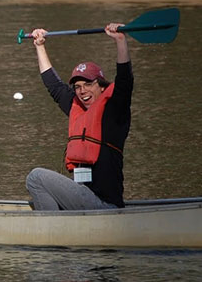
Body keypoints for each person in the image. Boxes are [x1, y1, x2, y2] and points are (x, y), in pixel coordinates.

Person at [25, 23, 132, 210]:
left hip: (104, 205)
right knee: (45, 185)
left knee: (35, 178)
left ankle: (50, 231)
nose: (82, 91)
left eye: (88, 84)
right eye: (77, 87)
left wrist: (121, 41)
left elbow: (125, 81)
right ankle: (57, 226)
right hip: (85, 200)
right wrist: (40, 46)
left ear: (101, 86)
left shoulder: (114, 110)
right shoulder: (78, 108)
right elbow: (54, 86)